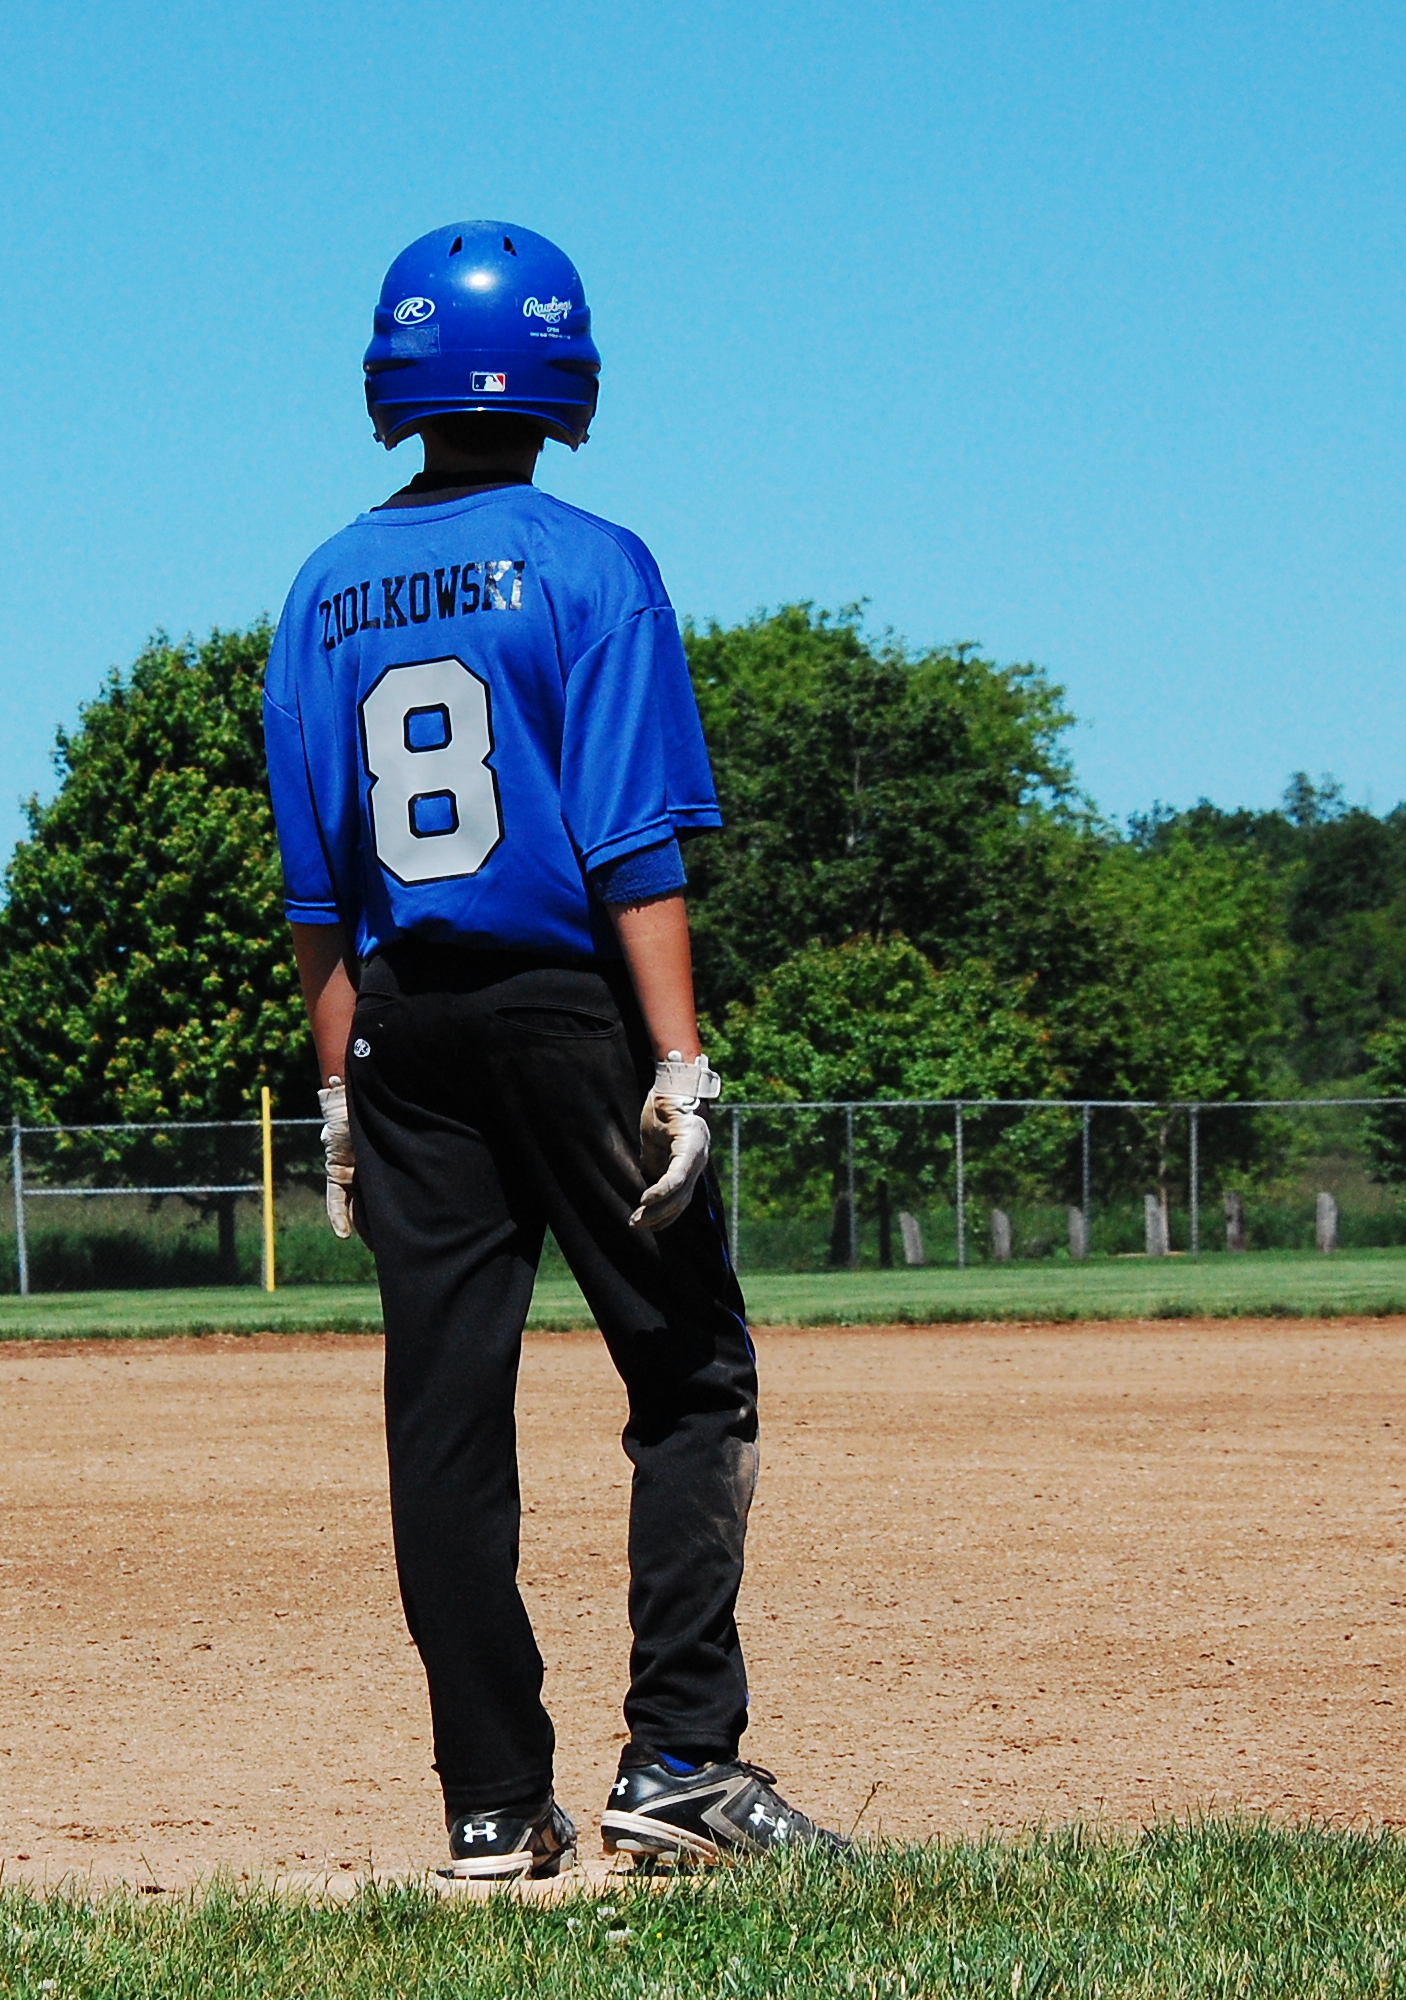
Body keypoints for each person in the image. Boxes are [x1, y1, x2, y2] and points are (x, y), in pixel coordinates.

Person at [263, 222, 845, 1878]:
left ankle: (489, 1804)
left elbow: (319, 897)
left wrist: (335, 1092)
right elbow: (630, 845)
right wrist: (678, 1062)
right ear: (560, 373)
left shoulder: (319, 590)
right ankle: (681, 1759)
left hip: (402, 1028)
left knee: (443, 1417)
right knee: (690, 1369)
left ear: (393, 379)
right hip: (565, 1010)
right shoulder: (592, 564)